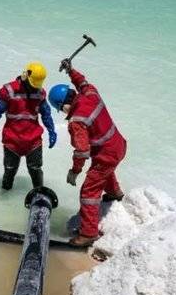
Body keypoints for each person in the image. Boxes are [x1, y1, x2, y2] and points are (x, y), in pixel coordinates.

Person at [48, 59, 127, 247]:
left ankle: (89, 233)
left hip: (107, 154)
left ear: (63, 105)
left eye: (60, 109)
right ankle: (115, 193)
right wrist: (71, 70)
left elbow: (82, 151)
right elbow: (82, 82)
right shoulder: (90, 94)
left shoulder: (77, 121)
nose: (63, 112)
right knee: (102, 170)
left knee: (88, 191)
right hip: (119, 145)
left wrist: (75, 170)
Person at [0, 62, 58, 190]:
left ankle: (39, 194)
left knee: (35, 170)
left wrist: (52, 131)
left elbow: (46, 114)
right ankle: (5, 198)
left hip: (33, 141)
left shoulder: (39, 93)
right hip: (12, 141)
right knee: (10, 171)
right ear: (25, 76)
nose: (34, 88)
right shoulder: (10, 91)